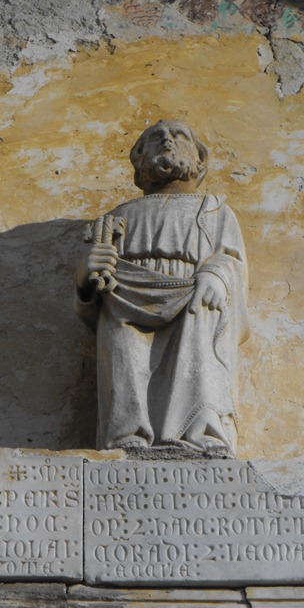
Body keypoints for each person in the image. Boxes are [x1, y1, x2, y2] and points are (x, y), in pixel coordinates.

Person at [74, 120, 250, 455]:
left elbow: (232, 260)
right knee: (125, 352)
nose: (167, 140)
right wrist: (87, 273)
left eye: (179, 136)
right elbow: (93, 294)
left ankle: (200, 433)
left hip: (193, 299)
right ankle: (128, 435)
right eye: (155, 137)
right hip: (125, 299)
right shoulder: (118, 216)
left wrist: (215, 274)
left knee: (198, 349)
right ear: (139, 160)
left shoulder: (214, 211)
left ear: (198, 160)